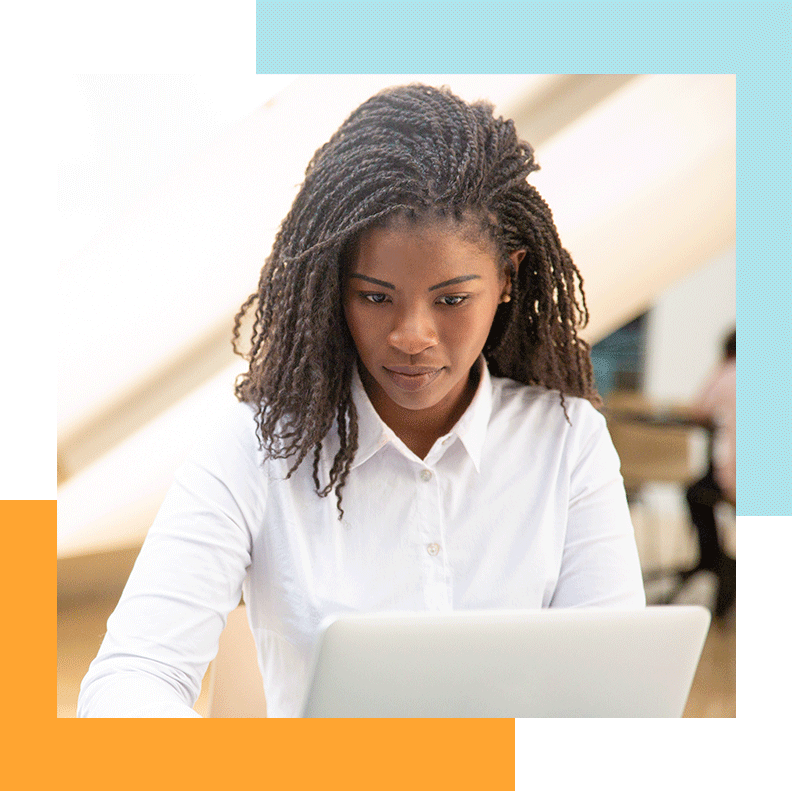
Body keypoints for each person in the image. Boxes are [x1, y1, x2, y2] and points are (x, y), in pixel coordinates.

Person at [77, 84, 645, 718]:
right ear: (333, 289)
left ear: (508, 279)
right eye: (375, 297)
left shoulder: (566, 440)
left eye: (452, 300)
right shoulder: (258, 446)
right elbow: (134, 673)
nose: (411, 336)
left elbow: (614, 693)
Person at [685, 327, 736, 618]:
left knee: (696, 494)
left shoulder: (729, 372)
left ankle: (713, 560)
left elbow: (698, 410)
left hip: (734, 481)